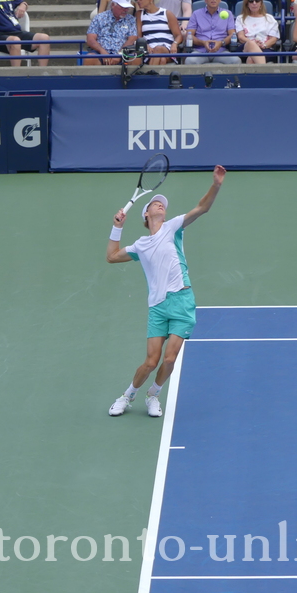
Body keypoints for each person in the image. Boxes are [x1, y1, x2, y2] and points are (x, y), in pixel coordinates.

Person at [106, 166, 227, 417]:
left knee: (169, 360)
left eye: (162, 204)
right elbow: (112, 257)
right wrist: (117, 227)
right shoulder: (140, 245)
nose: (161, 205)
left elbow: (201, 208)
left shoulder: (173, 228)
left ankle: (154, 394)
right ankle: (127, 395)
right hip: (157, 306)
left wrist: (216, 185)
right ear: (146, 215)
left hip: (182, 301)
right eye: (155, 204)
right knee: (150, 362)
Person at [185, 0, 242, 64]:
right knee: (190, 61)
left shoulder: (228, 14)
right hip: (200, 51)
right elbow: (189, 35)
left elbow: (232, 35)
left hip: (221, 51)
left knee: (236, 61)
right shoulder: (196, 14)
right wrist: (203, 43)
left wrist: (221, 43)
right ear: (205, 0)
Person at [85, 0, 140, 65]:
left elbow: (132, 39)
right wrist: (102, 51)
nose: (125, 10)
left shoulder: (131, 20)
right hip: (100, 53)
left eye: (127, 7)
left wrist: (120, 53)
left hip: (124, 53)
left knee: (136, 58)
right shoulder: (99, 18)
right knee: (90, 58)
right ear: (113, 5)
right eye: (122, 7)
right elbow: (90, 39)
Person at [136, 0, 182, 65]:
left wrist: (175, 44)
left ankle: (148, 73)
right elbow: (139, 36)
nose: (138, 1)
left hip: (167, 49)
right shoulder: (139, 15)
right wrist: (145, 45)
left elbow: (179, 35)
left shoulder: (167, 13)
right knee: (162, 60)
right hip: (149, 50)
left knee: (158, 49)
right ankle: (153, 73)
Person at [235, 0, 281, 64]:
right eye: (251, 1)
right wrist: (254, 44)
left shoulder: (270, 18)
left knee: (251, 59)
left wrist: (264, 45)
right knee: (251, 44)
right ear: (247, 4)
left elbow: (273, 39)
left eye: (257, 1)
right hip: (245, 47)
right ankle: (263, 72)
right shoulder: (240, 18)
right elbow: (241, 37)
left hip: (265, 48)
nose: (254, 3)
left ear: (261, 3)